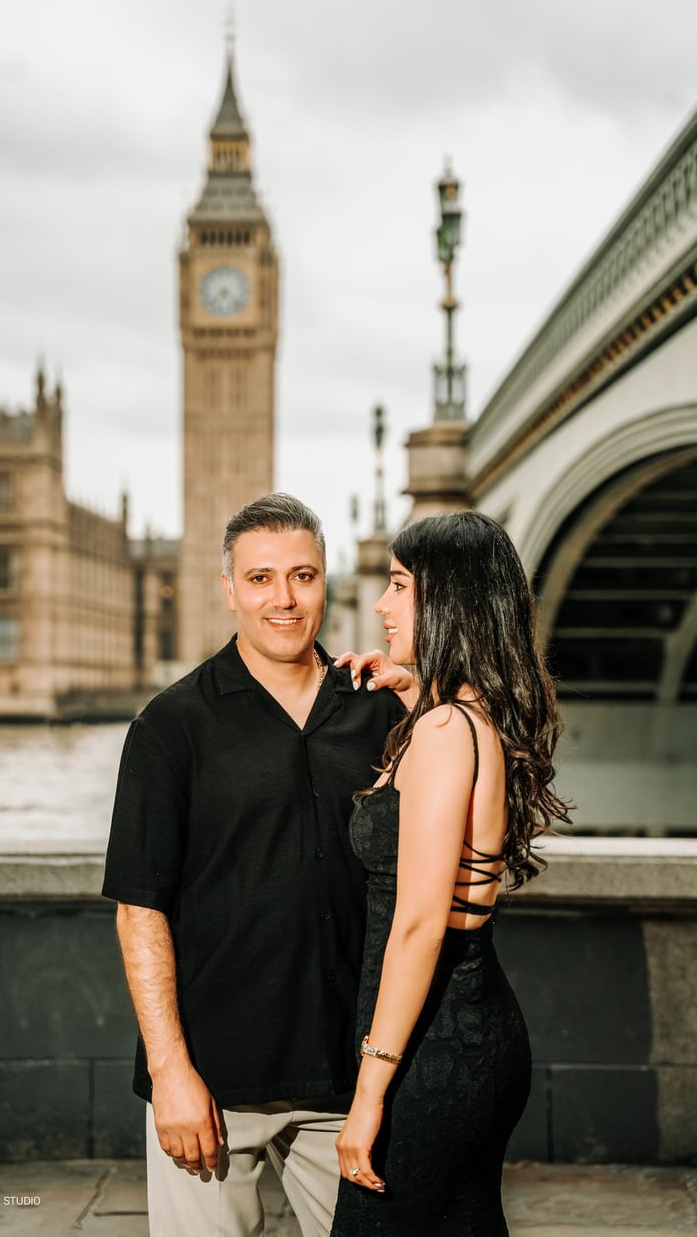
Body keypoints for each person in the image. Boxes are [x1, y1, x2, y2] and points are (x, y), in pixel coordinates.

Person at [101, 493, 406, 1237]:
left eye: (302, 576)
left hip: (350, 1076)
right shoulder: (172, 724)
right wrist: (171, 1071)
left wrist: (423, 692)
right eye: (261, 578)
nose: (284, 598)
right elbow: (140, 907)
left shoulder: (380, 710)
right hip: (213, 1079)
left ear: (326, 582)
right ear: (230, 589)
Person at [330, 511, 572, 1237]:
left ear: (450, 603)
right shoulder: (466, 718)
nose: (381, 605)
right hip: (465, 1033)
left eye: (400, 586)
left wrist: (370, 1092)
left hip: (433, 1049)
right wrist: (411, 685)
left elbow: (417, 925)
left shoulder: (443, 732)